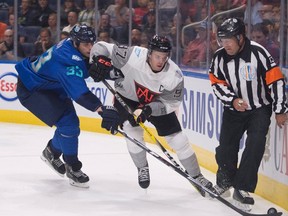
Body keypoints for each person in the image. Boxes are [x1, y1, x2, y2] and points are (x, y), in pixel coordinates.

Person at [88, 34, 213, 196]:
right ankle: (142, 168)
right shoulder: (132, 56)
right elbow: (101, 46)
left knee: (179, 140)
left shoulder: (174, 75)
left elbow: (170, 104)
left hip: (155, 103)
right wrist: (100, 61)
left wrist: (148, 110)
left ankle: (197, 176)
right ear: (149, 54)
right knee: (132, 131)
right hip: (127, 97)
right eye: (157, 56)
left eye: (164, 57)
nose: (161, 61)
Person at [15, 24, 120, 188]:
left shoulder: (70, 44)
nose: (90, 48)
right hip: (32, 88)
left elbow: (85, 66)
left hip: (51, 85)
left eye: (92, 43)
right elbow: (81, 94)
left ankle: (51, 152)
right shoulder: (67, 62)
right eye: (86, 44)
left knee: (70, 127)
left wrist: (109, 72)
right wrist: (102, 109)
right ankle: (72, 167)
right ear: (76, 42)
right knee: (69, 125)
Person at [209, 18, 288, 208]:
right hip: (233, 109)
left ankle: (242, 187)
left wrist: (280, 109)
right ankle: (224, 182)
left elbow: (275, 81)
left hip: (259, 108)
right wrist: (232, 100)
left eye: (229, 39)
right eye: (222, 40)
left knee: (255, 144)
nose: (225, 44)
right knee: (226, 147)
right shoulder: (219, 57)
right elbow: (216, 83)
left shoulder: (258, 52)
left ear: (240, 37)